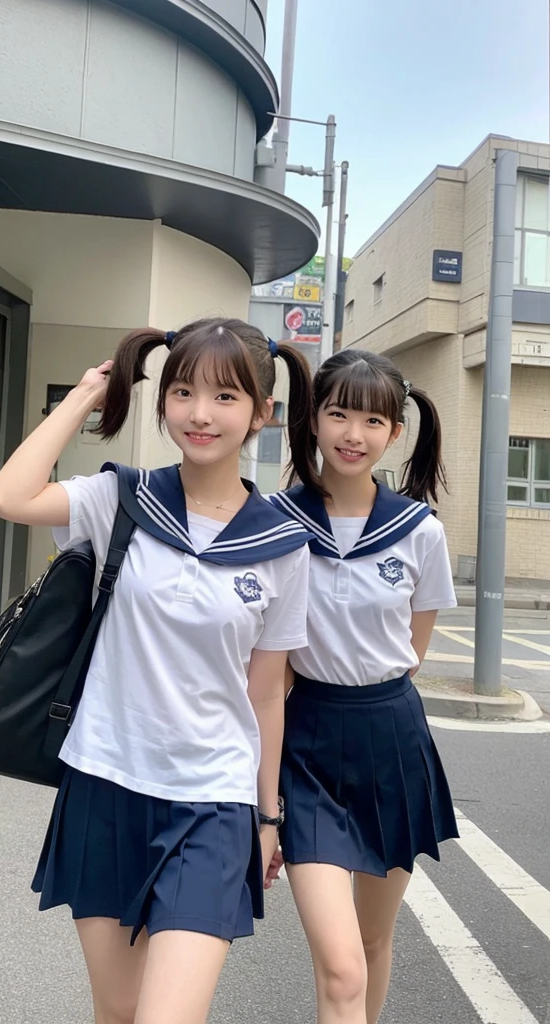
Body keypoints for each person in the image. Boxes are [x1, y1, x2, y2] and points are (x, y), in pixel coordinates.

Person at [0, 318, 316, 1024]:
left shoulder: (282, 545)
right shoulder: (120, 501)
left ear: (262, 413)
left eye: (226, 397)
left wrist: (267, 816)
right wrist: (84, 397)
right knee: (120, 1009)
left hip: (213, 804)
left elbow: (266, 694)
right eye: (184, 391)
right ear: (162, 400)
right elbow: (8, 497)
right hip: (105, 783)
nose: (200, 413)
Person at [267, 349, 459, 1024]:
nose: (353, 433)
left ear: (394, 434)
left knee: (374, 937)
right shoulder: (273, 521)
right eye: (338, 412)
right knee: (340, 957)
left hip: (391, 739)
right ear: (312, 420)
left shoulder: (419, 531)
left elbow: (413, 651)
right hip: (307, 741)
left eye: (372, 420)